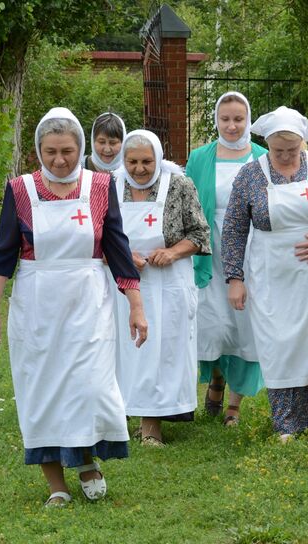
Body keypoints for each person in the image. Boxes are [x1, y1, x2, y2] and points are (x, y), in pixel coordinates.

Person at [0, 107, 148, 507]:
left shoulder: (99, 185)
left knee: (90, 383)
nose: (60, 160)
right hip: (38, 303)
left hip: (88, 299)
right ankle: (55, 481)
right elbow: (3, 254)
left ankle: (87, 459)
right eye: (51, 151)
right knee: (42, 388)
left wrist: (136, 306)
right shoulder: (20, 189)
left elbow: (117, 249)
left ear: (80, 148)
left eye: (68, 151)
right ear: (39, 150)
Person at [222, 106, 308, 442]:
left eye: (292, 150)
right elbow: (235, 229)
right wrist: (235, 278)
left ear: (303, 143)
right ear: (267, 144)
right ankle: (285, 422)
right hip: (271, 272)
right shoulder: (250, 175)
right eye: (278, 150)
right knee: (279, 343)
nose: (284, 156)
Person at [113, 130, 211, 446]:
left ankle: (152, 423)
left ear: (158, 158)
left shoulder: (179, 185)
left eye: (146, 161)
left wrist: (171, 252)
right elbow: (98, 233)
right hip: (125, 284)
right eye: (132, 161)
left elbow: (200, 234)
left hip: (168, 282)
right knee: (128, 350)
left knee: (162, 349)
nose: (139, 169)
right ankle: (125, 413)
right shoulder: (110, 186)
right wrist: (124, 255)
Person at [187, 91, 267, 426]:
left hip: (252, 249)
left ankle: (235, 404)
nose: (232, 125)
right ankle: (217, 377)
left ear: (248, 120)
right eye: (225, 119)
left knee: (246, 324)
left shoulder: (263, 157)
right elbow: (188, 203)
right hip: (211, 248)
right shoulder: (200, 157)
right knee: (214, 322)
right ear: (216, 120)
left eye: (238, 119)